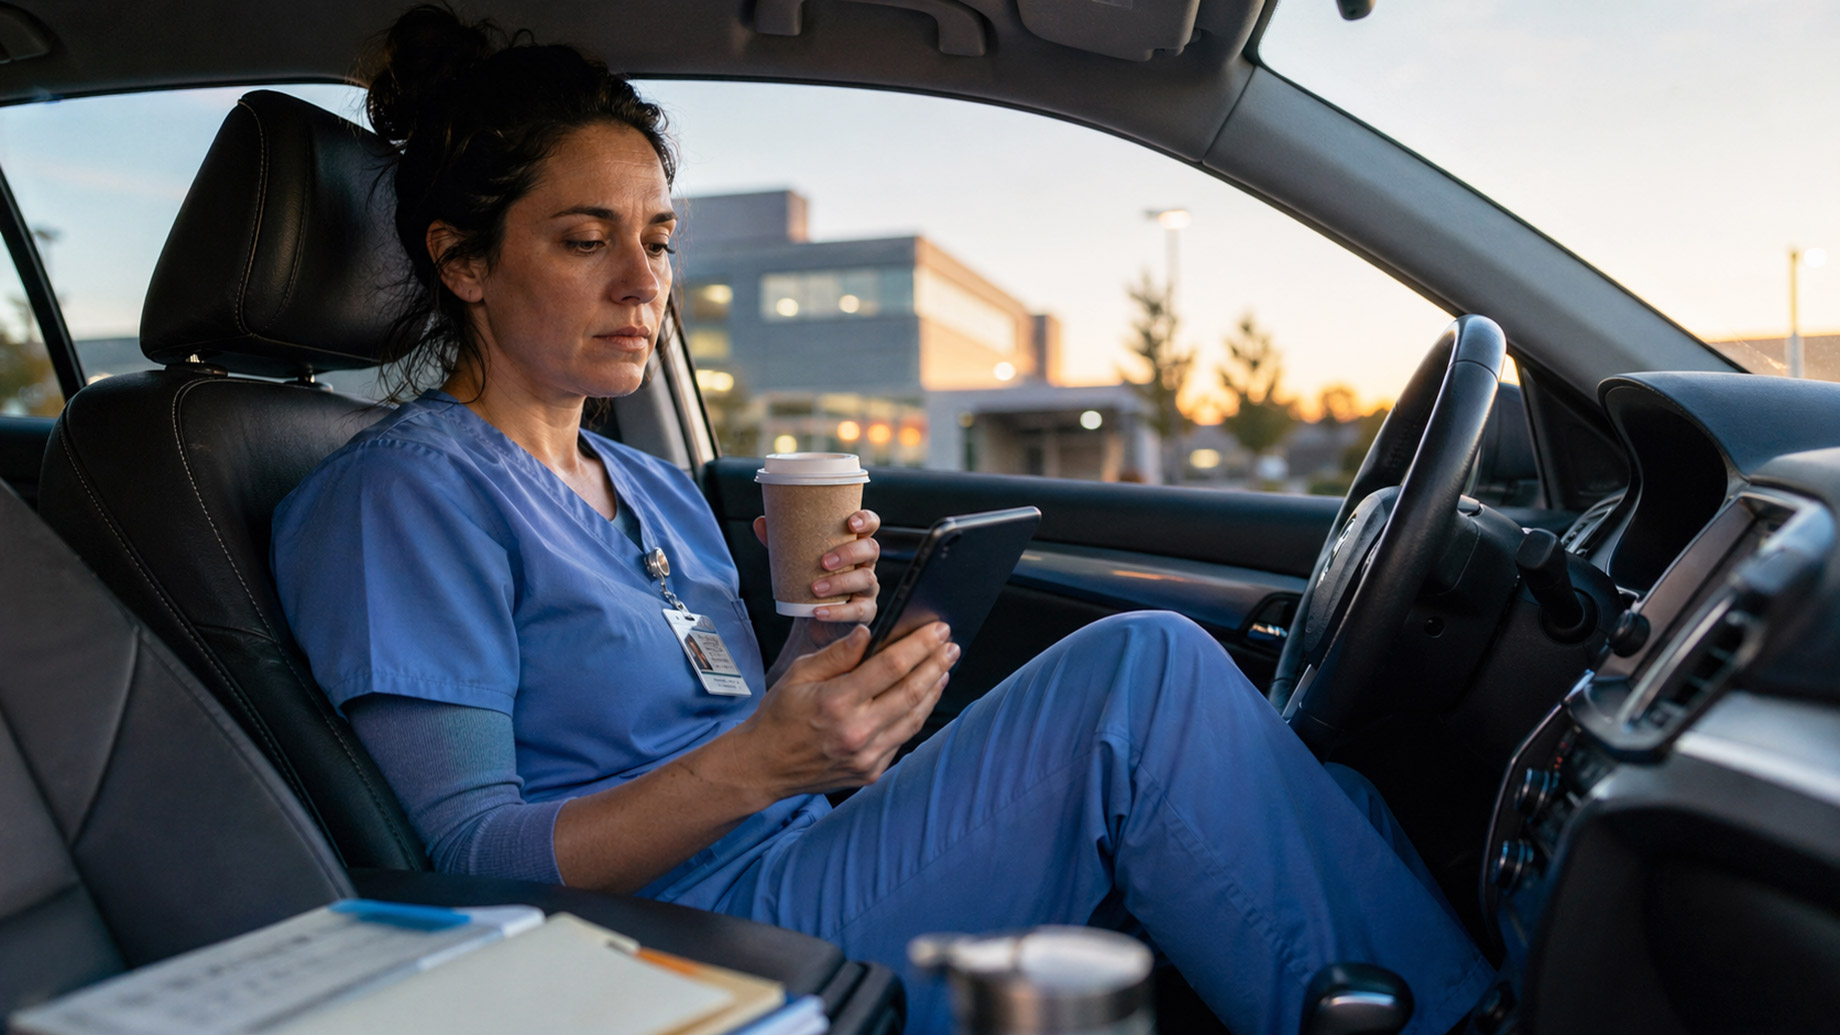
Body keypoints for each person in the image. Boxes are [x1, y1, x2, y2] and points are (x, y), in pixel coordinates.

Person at [270, 8, 1492, 1033]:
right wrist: (767, 759)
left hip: (793, 856)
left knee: (1326, 794)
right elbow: (464, 864)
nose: (643, 283)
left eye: (656, 240)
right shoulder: (408, 498)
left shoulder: (643, 485)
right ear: (464, 261)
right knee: (1148, 672)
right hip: (676, 950)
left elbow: (724, 730)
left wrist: (823, 659)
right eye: (584, 241)